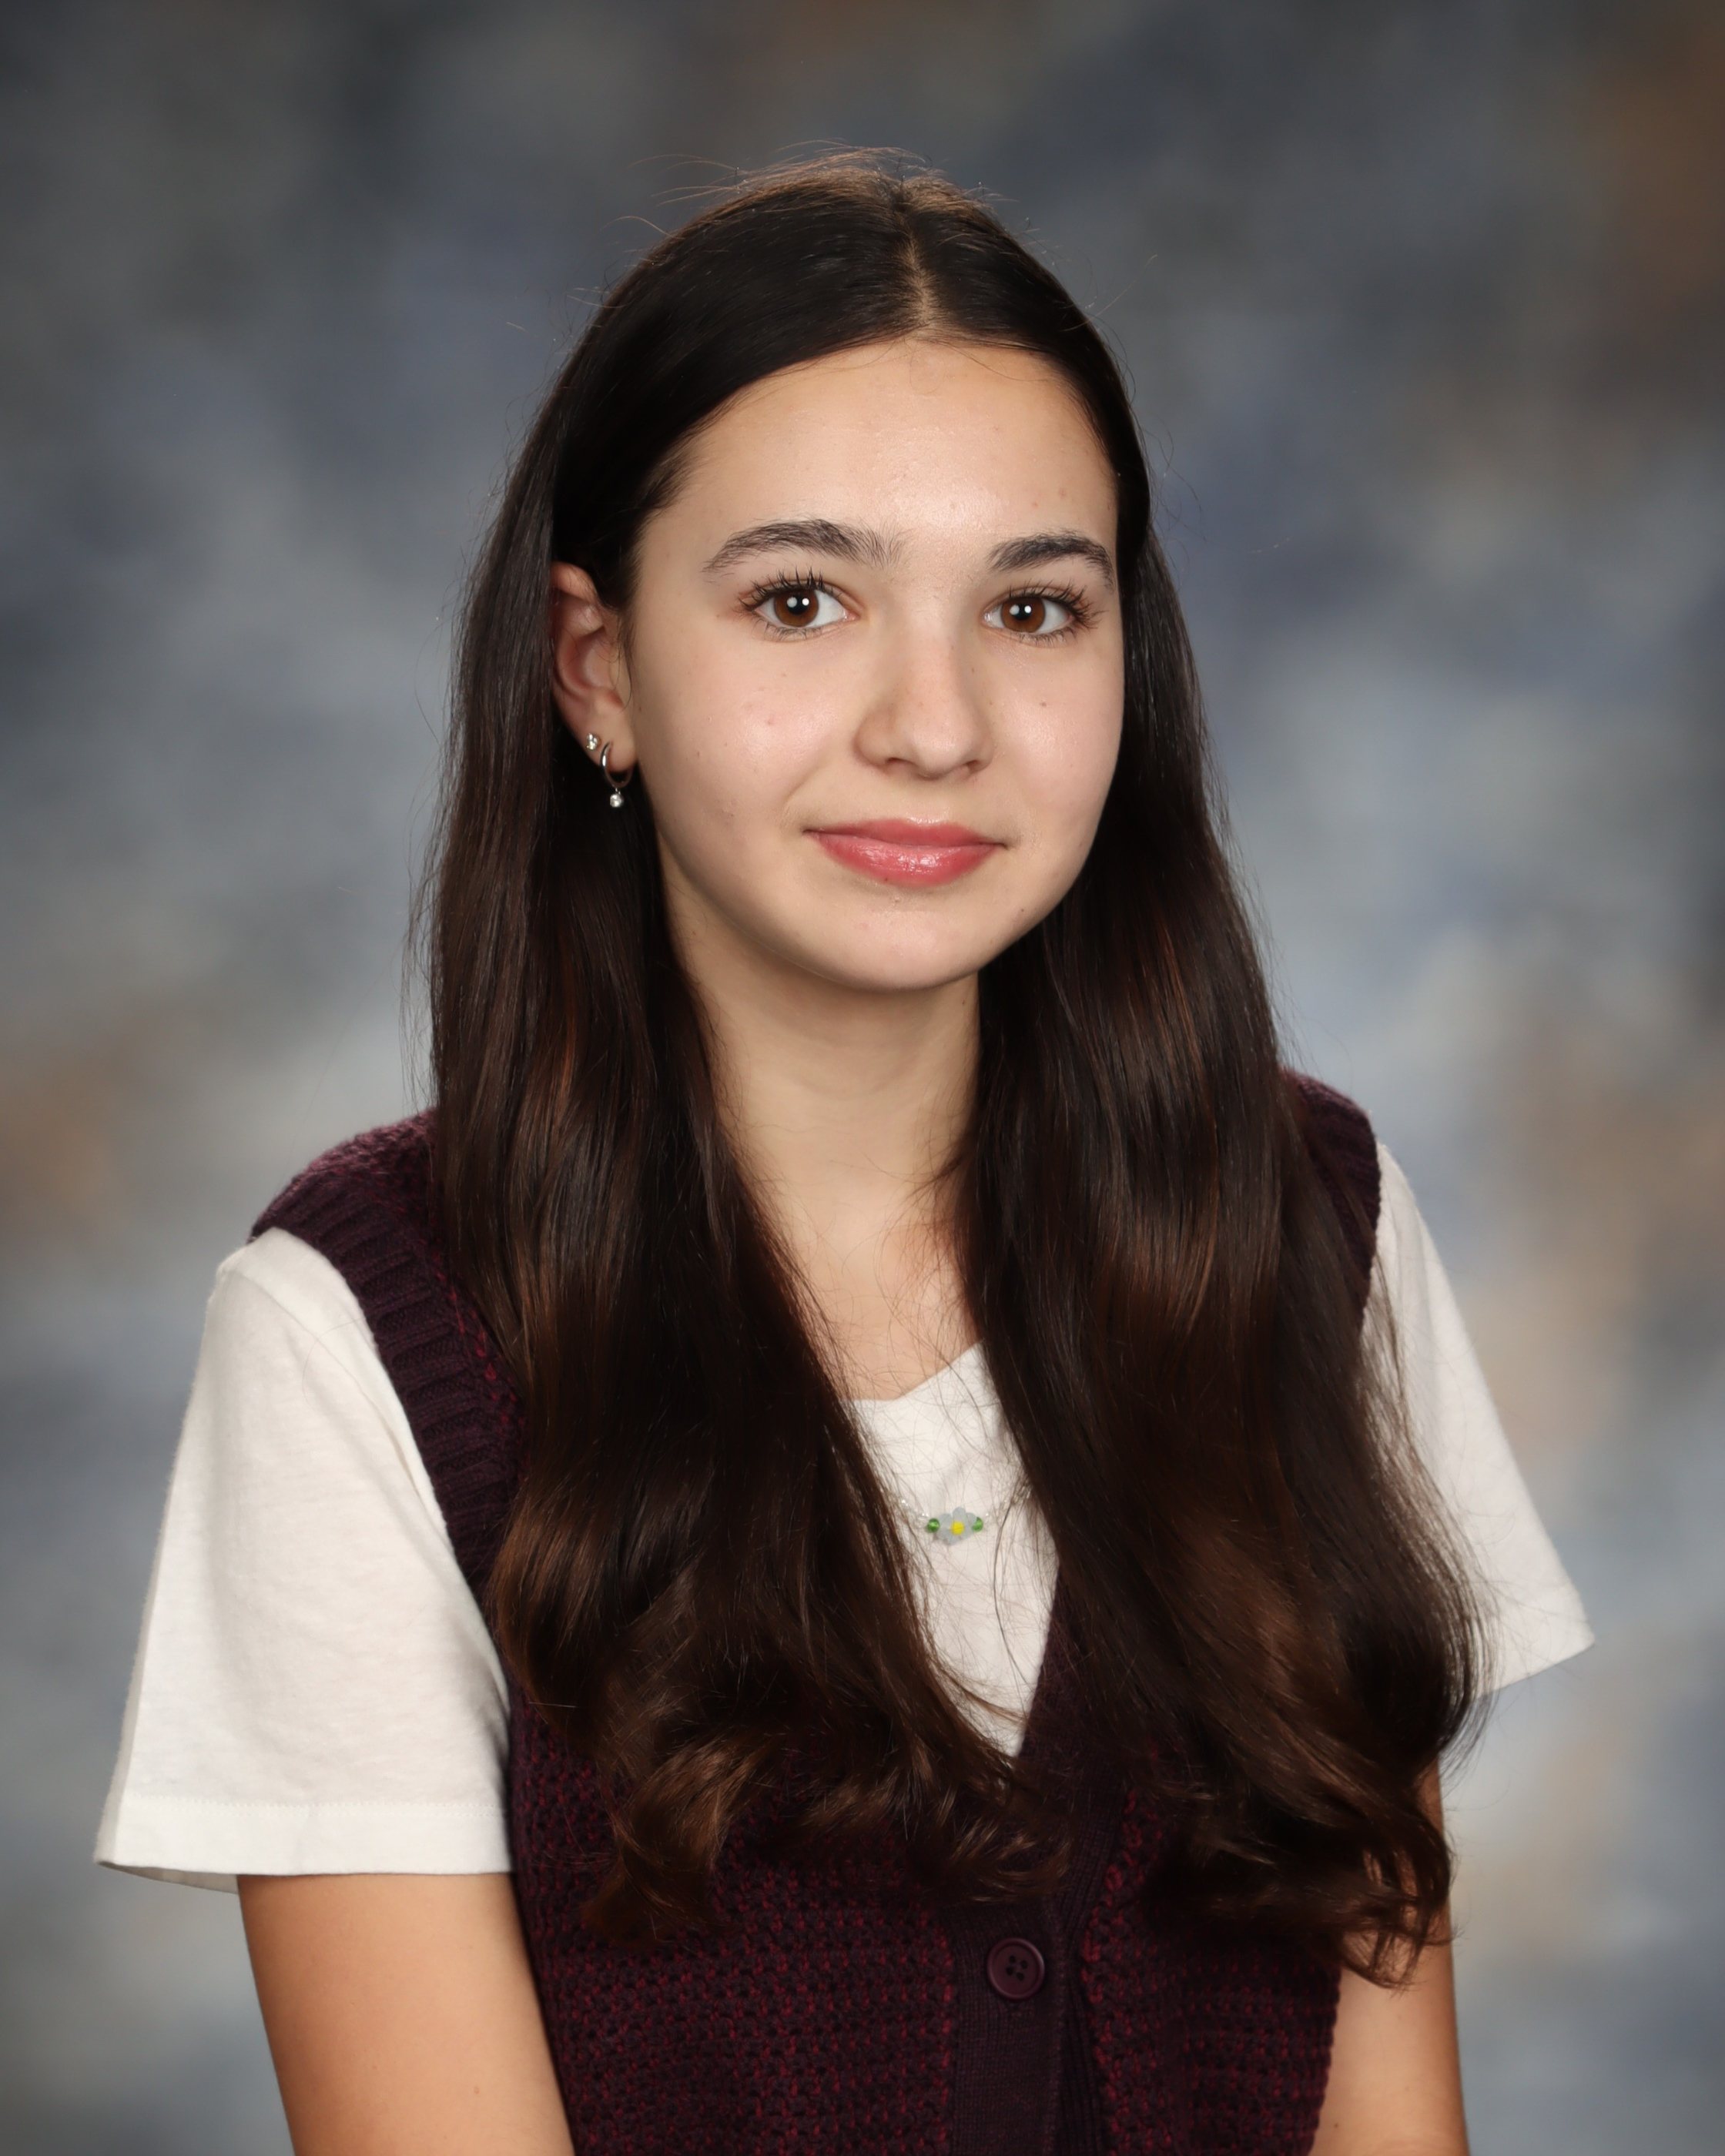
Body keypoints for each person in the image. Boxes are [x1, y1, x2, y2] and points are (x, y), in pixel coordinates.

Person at [97, 161, 1590, 2156]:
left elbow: (1390, 2121)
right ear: (598, 667)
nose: (935, 724)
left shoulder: (1311, 1228)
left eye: (1033, 609)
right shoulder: (360, 1329)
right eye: (802, 600)